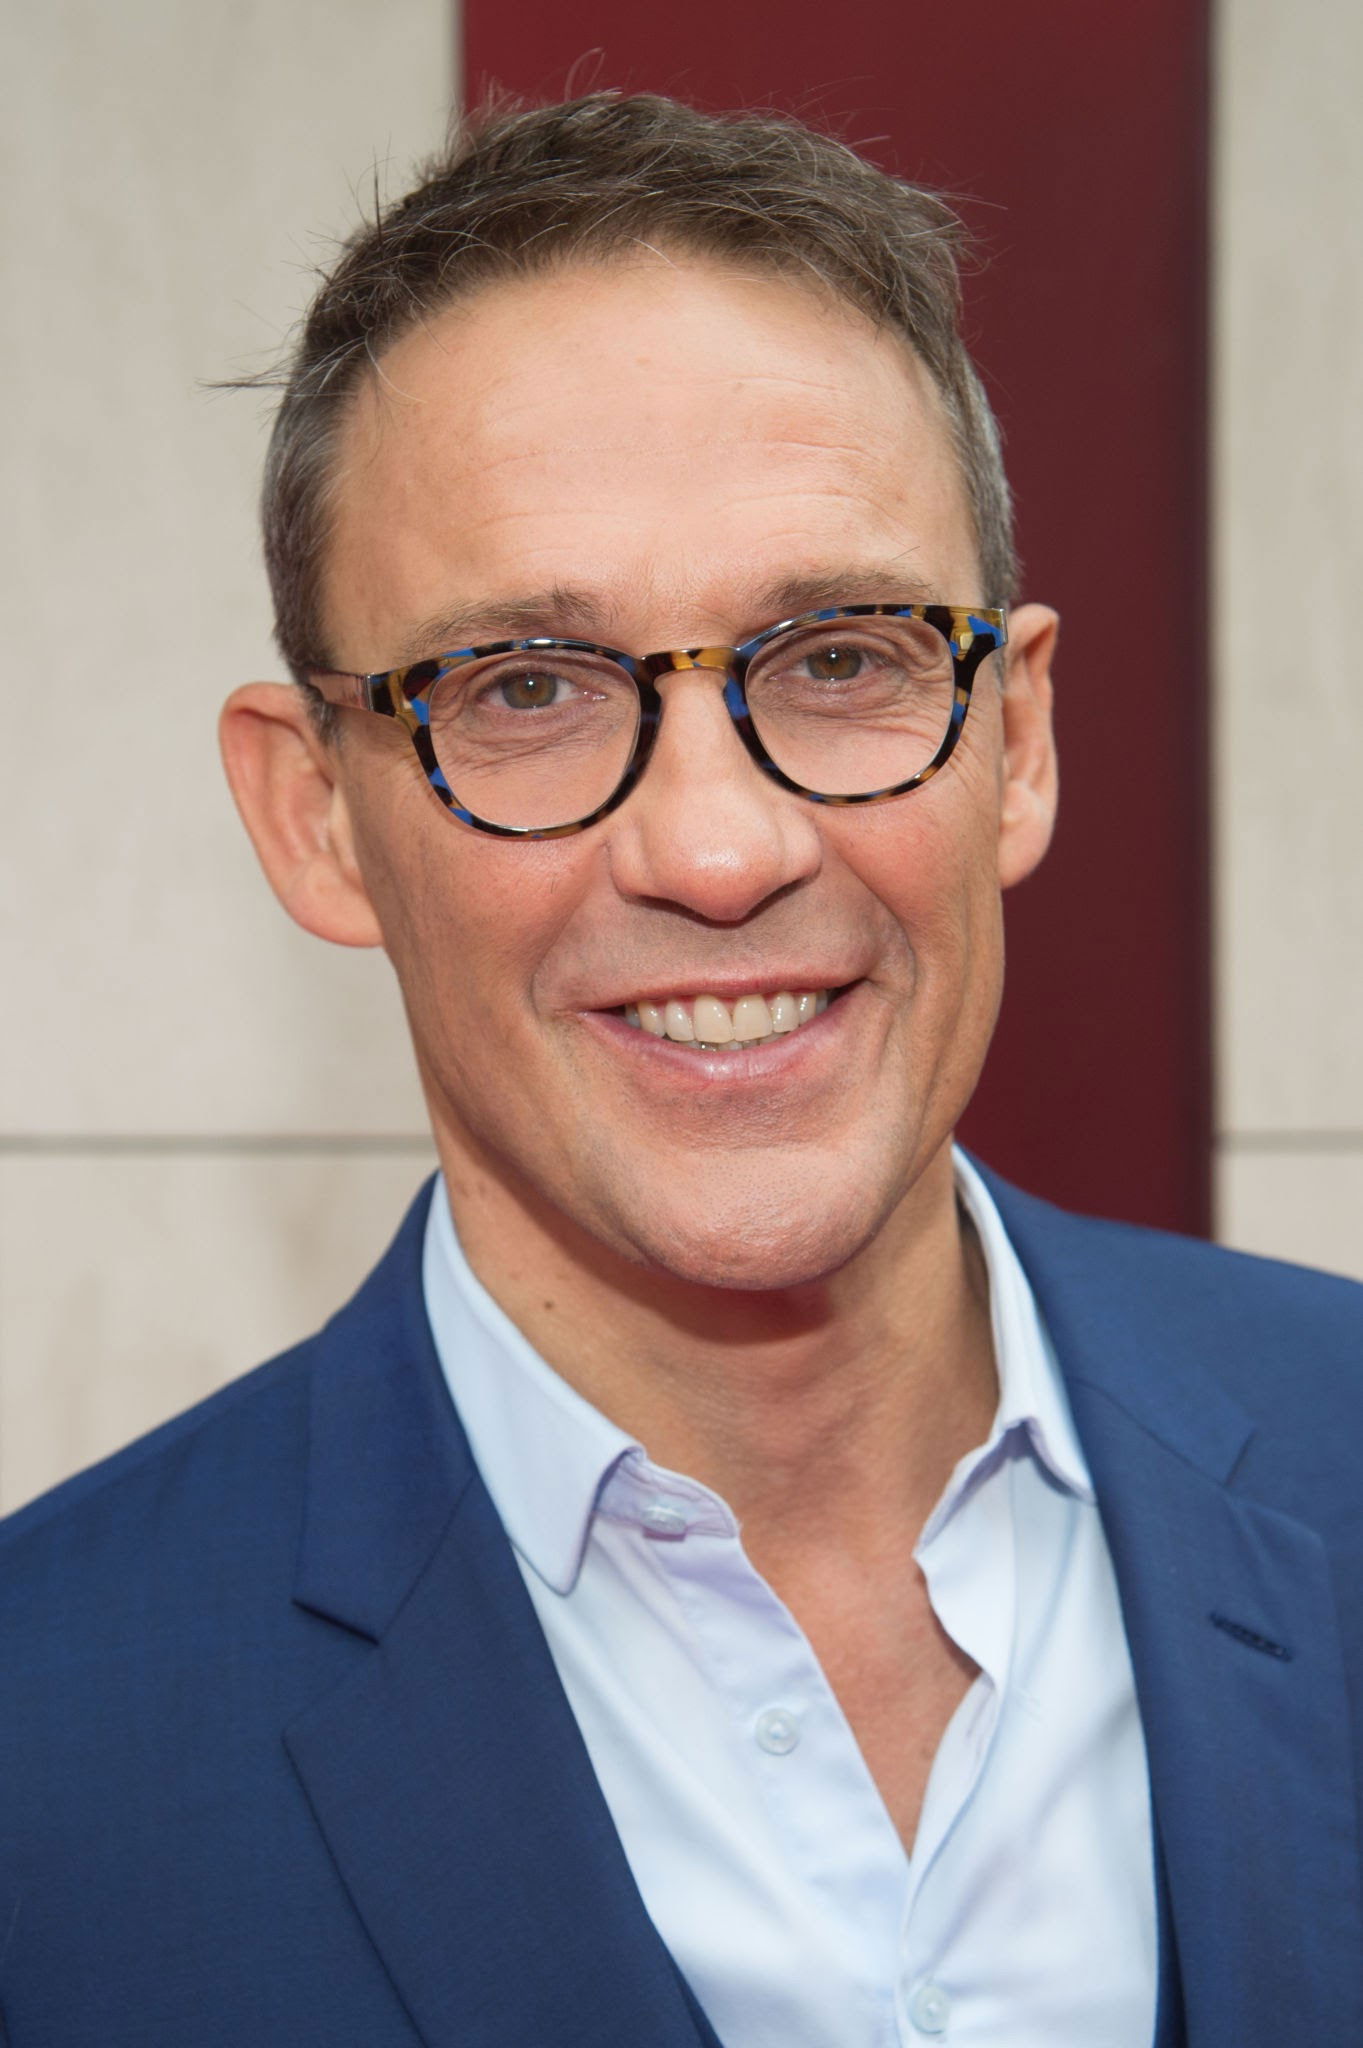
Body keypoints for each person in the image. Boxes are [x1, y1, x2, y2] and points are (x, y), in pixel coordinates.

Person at [1, 91, 1360, 2048]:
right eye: (526, 689)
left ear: (1019, 742)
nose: (720, 852)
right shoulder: (45, 1759)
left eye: (842, 655)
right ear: (315, 817)